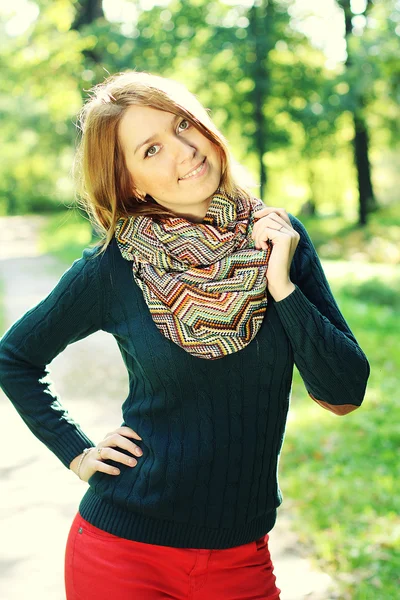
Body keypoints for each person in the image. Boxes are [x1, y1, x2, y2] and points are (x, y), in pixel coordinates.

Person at [0, 71, 370, 600]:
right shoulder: (114, 267)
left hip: (241, 558)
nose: (183, 150)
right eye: (150, 149)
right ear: (130, 182)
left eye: (181, 125)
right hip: (122, 552)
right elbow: (14, 357)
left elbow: (344, 392)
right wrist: (77, 452)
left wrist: (281, 285)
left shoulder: (278, 236)